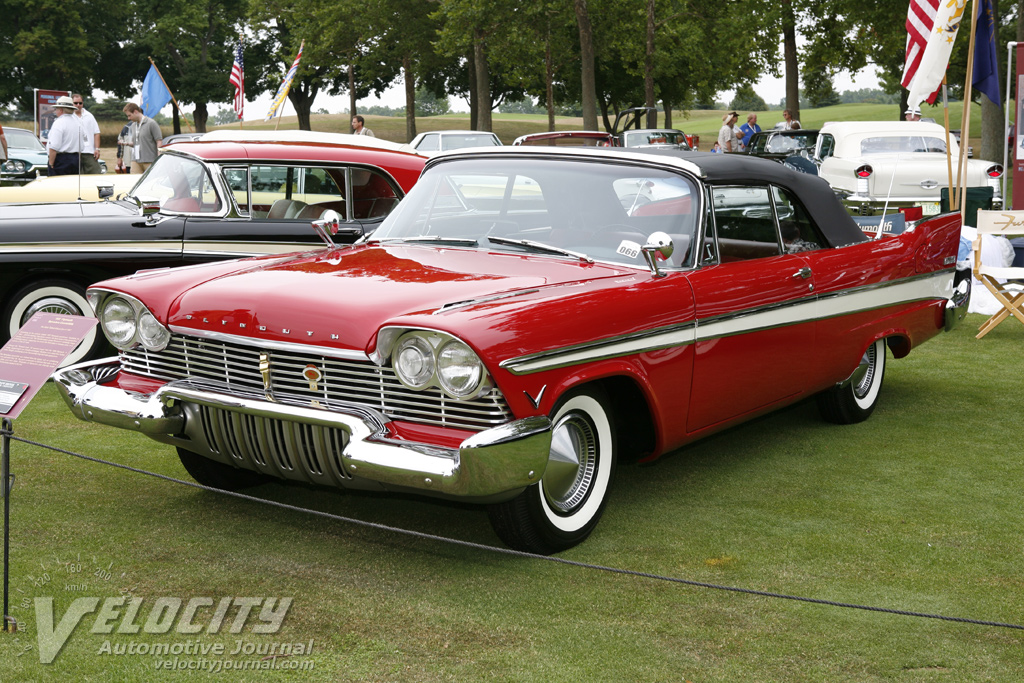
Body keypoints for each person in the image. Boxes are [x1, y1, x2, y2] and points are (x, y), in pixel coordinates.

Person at [46, 95, 86, 176]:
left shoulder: (59, 123)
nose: (56, 111)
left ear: (60, 110)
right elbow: (82, 144)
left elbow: (54, 146)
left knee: (58, 186)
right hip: (76, 159)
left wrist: (51, 164)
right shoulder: (78, 123)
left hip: (61, 160)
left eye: (56, 109)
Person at [122, 102, 163, 174]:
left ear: (135, 112)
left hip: (150, 160)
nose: (128, 118)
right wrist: (126, 143)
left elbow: (159, 141)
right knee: (135, 182)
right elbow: (135, 143)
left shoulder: (151, 123)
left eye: (129, 115)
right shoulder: (133, 126)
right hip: (135, 160)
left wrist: (158, 157)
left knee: (150, 183)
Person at [71, 93, 103, 174]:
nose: (78, 105)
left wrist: (97, 149)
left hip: (89, 151)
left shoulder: (89, 116)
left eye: (80, 103)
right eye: (76, 103)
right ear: (72, 103)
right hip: (74, 152)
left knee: (95, 173)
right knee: (77, 176)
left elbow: (96, 133)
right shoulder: (69, 116)